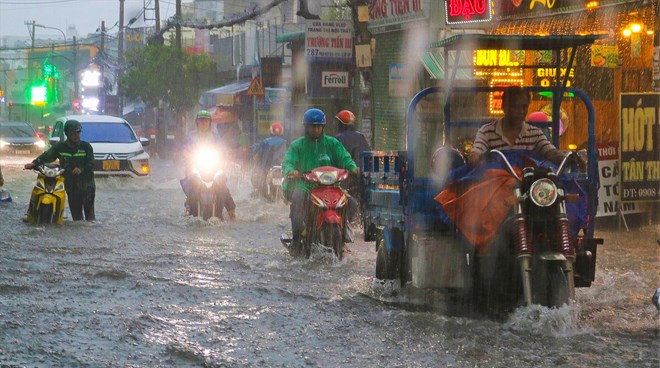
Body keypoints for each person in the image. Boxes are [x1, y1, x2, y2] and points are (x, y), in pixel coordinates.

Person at [282, 108, 359, 250]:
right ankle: (297, 239)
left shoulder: (332, 143)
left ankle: (344, 232)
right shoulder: (297, 146)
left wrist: (353, 167)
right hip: (306, 186)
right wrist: (291, 171)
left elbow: (345, 157)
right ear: (306, 127)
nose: (315, 130)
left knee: (351, 202)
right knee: (298, 198)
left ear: (323, 127)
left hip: (330, 186)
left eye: (318, 126)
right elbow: (287, 162)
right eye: (312, 126)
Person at [467, 86, 568, 167]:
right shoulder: (486, 132)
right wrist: (475, 158)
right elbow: (477, 152)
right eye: (515, 107)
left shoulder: (535, 134)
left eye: (524, 107)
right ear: (504, 107)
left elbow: (550, 151)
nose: (521, 112)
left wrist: (566, 159)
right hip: (495, 186)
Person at [24, 119, 95, 221]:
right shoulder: (60, 147)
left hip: (87, 184)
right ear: (67, 133)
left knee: (90, 217)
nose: (76, 135)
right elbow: (46, 156)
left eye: (78, 133)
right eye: (73, 133)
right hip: (71, 185)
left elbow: (91, 164)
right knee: (77, 217)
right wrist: (34, 163)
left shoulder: (86, 147)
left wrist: (81, 169)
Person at [182, 110, 236, 220]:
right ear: (197, 123)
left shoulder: (215, 136)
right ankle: (189, 209)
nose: (203, 123)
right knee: (192, 185)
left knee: (223, 187)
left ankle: (232, 213)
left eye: (205, 121)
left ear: (209, 123)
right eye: (201, 121)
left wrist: (224, 155)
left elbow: (222, 149)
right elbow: (185, 149)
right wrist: (187, 155)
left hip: (214, 167)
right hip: (196, 166)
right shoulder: (191, 136)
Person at [334, 109, 371, 221]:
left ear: (340, 123)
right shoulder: (361, 137)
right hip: (361, 178)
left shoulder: (337, 139)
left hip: (344, 179)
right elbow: (368, 157)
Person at [250, 122, 288, 197]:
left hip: (267, 168)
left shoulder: (265, 141)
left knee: (261, 186)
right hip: (281, 168)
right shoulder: (285, 142)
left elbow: (258, 155)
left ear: (271, 131)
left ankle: (263, 194)